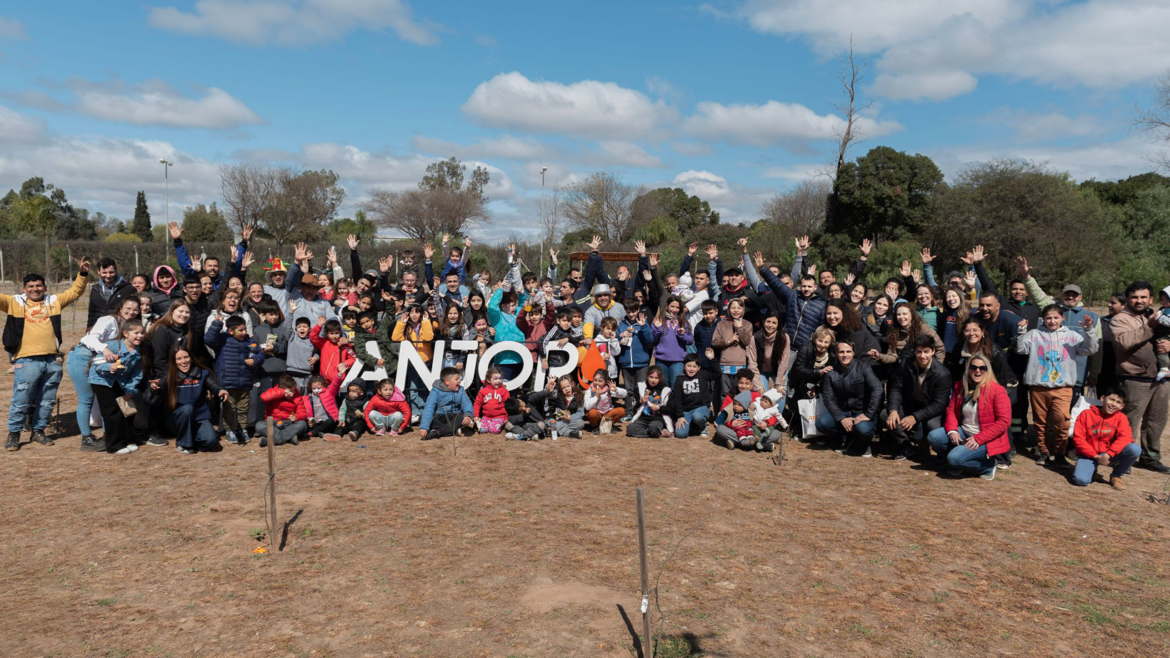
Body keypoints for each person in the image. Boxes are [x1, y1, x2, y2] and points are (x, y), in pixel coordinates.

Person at [3, 257, 90, 451]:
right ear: (24, 288)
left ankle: (38, 431)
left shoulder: (54, 301)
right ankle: (14, 434)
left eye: (39, 285)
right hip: (27, 360)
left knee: (47, 399)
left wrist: (82, 273)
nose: (35, 289)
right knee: (21, 399)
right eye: (31, 286)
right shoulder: (14, 302)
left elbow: (76, 291)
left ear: (45, 287)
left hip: (53, 359)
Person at [1016, 305, 1098, 468]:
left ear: (1062, 318)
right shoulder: (1034, 335)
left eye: (1055, 318)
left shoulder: (1072, 336)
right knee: (1040, 422)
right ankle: (1044, 451)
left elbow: (1090, 349)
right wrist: (1021, 332)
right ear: (1043, 319)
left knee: (1062, 422)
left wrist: (1089, 330)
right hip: (1038, 387)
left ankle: (1060, 453)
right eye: (1048, 318)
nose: (1052, 321)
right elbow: (1020, 349)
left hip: (1062, 388)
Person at [1109, 281, 1170, 473]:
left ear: (1151, 299)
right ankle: (1123, 458)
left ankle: (1150, 458)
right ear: (1127, 299)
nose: (1139, 301)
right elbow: (1125, 342)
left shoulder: (1160, 315)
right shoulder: (1120, 319)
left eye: (1143, 297)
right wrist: (1150, 326)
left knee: (1156, 420)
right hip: (1135, 379)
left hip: (1161, 379)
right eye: (1134, 297)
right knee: (1130, 421)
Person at [67, 296, 140, 452]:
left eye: (135, 309)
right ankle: (87, 438)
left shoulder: (126, 325)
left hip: (102, 362)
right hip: (83, 356)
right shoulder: (108, 320)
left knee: (106, 400)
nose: (131, 312)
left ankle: (110, 435)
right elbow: (92, 337)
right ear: (120, 307)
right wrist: (104, 349)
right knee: (87, 398)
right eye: (128, 308)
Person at [927, 353, 1011, 480]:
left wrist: (978, 439)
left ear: (987, 371)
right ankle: (962, 461)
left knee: (954, 458)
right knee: (934, 437)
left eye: (982, 368)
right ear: (968, 369)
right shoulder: (961, 386)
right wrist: (952, 431)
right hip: (965, 431)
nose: (977, 371)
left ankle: (987, 465)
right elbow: (951, 410)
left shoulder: (997, 390)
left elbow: (1004, 422)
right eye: (973, 367)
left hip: (985, 437)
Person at [882, 335, 953, 460]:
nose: (922, 355)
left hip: (932, 409)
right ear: (914, 351)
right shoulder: (905, 364)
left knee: (934, 427)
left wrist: (915, 417)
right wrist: (893, 410)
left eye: (926, 351)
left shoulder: (943, 374)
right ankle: (905, 446)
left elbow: (940, 404)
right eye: (919, 351)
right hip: (910, 404)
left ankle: (934, 450)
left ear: (933, 351)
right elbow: (896, 388)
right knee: (885, 415)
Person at [151, 346, 227, 454]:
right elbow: (151, 396)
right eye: (179, 359)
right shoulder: (169, 375)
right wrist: (155, 389)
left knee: (211, 441)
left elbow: (214, 385)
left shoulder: (203, 373)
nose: (183, 361)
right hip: (178, 419)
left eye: (186, 357)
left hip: (199, 418)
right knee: (187, 409)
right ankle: (183, 444)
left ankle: (190, 438)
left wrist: (220, 390)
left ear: (191, 358)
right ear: (174, 361)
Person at [204, 315, 265, 445]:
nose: (244, 333)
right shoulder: (222, 339)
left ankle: (242, 429)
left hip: (245, 381)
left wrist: (255, 360)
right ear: (231, 331)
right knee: (229, 408)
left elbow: (260, 354)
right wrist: (216, 324)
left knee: (243, 407)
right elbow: (208, 339)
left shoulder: (249, 341)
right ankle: (230, 430)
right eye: (241, 330)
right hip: (227, 382)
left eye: (245, 330)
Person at [87, 319, 145, 455]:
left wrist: (130, 389)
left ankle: (127, 440)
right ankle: (114, 445)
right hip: (102, 380)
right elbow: (97, 362)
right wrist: (110, 367)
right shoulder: (113, 346)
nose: (140, 336)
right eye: (135, 333)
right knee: (112, 413)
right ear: (125, 333)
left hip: (121, 382)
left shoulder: (138, 351)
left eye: (142, 333)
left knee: (127, 410)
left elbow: (137, 373)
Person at [816, 341, 882, 456]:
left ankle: (863, 443)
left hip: (862, 411)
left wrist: (868, 414)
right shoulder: (830, 372)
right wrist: (841, 418)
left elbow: (877, 389)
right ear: (836, 353)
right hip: (842, 411)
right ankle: (845, 437)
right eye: (841, 352)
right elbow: (828, 399)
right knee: (822, 423)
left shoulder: (863, 367)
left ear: (853, 353)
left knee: (863, 429)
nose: (845, 355)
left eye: (848, 351)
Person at [1070, 388, 1141, 489]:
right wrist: (1095, 456)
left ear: (1121, 406)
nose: (1113, 404)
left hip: (1109, 454)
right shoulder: (1086, 414)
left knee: (1134, 449)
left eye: (1118, 402)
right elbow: (1078, 439)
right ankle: (1091, 469)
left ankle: (1116, 475)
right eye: (1111, 399)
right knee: (1080, 480)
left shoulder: (1121, 418)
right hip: (1089, 454)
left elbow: (1126, 438)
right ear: (1103, 398)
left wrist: (1109, 454)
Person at [419, 367, 475, 440]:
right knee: (422, 417)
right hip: (439, 417)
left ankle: (437, 432)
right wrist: (424, 427)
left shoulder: (461, 390)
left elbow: (466, 402)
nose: (459, 381)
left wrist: (468, 415)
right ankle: (452, 430)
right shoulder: (436, 390)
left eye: (459, 378)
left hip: (454, 417)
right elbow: (429, 407)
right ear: (447, 382)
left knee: (461, 417)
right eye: (456, 379)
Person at [256, 375, 308, 446]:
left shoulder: (297, 396)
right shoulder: (274, 391)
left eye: (293, 390)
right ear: (281, 389)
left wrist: (296, 417)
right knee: (259, 425)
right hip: (272, 423)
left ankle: (274, 440)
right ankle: (289, 438)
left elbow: (303, 413)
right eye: (290, 391)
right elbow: (264, 397)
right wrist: (282, 393)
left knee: (302, 424)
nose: (292, 393)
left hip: (289, 423)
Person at [671, 355, 715, 438]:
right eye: (689, 366)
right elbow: (677, 399)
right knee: (680, 434)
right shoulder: (679, 379)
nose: (691, 369)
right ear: (684, 366)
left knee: (697, 416)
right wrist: (680, 416)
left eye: (694, 366)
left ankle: (702, 427)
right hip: (686, 410)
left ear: (699, 368)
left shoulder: (703, 375)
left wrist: (712, 359)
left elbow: (717, 373)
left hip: (701, 408)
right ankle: (694, 427)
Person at [87, 257, 135, 332]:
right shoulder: (95, 289)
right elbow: (92, 312)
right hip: (99, 329)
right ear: (98, 271)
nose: (108, 276)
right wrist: (89, 328)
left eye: (111, 272)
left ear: (116, 270)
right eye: (104, 273)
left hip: (121, 330)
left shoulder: (128, 289)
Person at [302, 374, 343, 440]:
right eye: (314, 388)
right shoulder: (307, 398)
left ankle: (313, 433)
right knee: (305, 425)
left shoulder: (329, 393)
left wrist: (339, 375)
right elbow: (305, 412)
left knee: (332, 422)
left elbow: (335, 385)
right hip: (316, 423)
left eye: (319, 388)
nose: (316, 390)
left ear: (323, 386)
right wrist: (308, 421)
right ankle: (322, 433)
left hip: (327, 422)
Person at [474, 368, 511, 435]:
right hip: (486, 416)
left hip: (499, 417)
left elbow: (507, 406)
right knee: (482, 430)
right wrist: (476, 415)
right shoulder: (483, 391)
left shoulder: (504, 391)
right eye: (495, 379)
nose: (498, 381)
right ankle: (483, 423)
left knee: (493, 430)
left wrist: (506, 418)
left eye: (500, 378)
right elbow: (477, 404)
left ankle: (501, 425)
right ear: (488, 380)